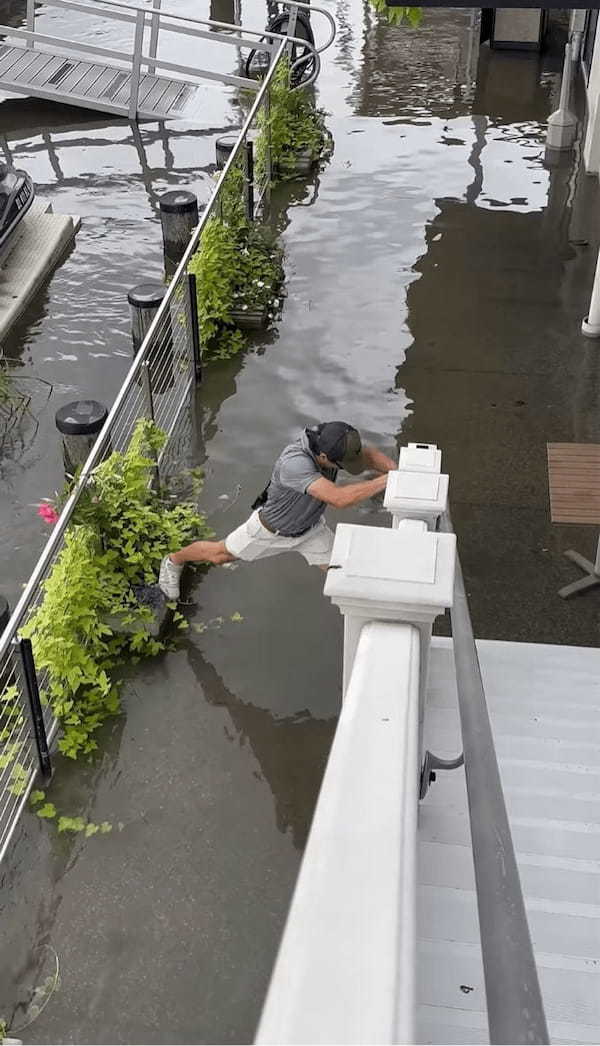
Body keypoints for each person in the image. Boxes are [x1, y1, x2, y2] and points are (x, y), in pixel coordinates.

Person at [158, 421, 397, 600]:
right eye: (342, 465)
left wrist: (397, 469)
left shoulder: (336, 440)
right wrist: (389, 481)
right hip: (270, 530)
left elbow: (368, 453)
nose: (348, 467)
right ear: (323, 456)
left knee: (341, 571)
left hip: (311, 530)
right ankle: (173, 560)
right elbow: (338, 498)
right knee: (220, 555)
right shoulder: (294, 463)